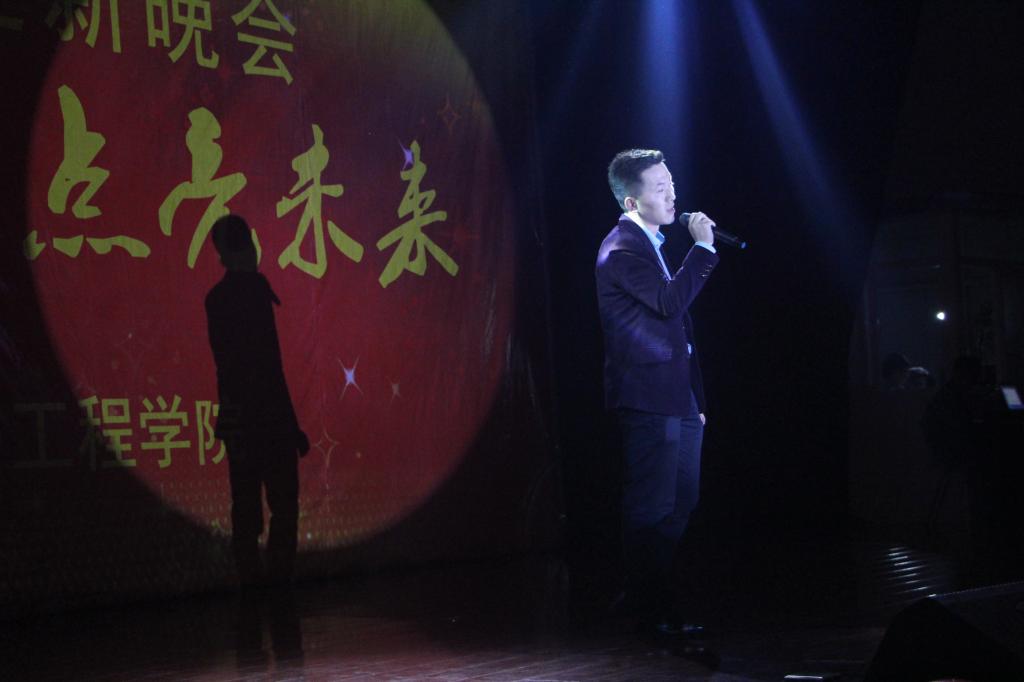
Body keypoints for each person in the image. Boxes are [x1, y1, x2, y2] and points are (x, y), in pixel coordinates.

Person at [595, 149, 718, 636]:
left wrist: (697, 400)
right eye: (660, 188)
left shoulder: (651, 244)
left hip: (679, 397)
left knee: (683, 500)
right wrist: (703, 249)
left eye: (672, 184)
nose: (673, 195)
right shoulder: (621, 249)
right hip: (647, 396)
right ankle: (649, 609)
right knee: (651, 505)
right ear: (632, 202)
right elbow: (669, 303)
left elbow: (678, 332)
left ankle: (646, 594)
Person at [206, 214, 310, 588]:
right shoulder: (252, 292)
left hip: (241, 419)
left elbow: (238, 368)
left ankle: (255, 586)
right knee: (280, 506)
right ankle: (276, 585)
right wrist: (289, 425)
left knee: (248, 508)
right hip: (264, 417)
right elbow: (267, 366)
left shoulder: (219, 298)